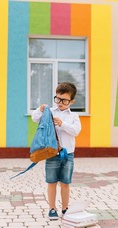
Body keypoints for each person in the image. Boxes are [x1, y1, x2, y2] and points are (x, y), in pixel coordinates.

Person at [31, 82, 81, 220]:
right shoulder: (50, 112)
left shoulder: (74, 116)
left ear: (72, 101)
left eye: (64, 100)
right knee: (51, 182)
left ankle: (65, 208)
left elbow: (76, 131)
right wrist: (40, 110)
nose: (60, 102)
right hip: (52, 153)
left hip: (68, 154)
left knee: (65, 183)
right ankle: (52, 208)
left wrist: (62, 124)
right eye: (58, 99)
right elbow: (34, 118)